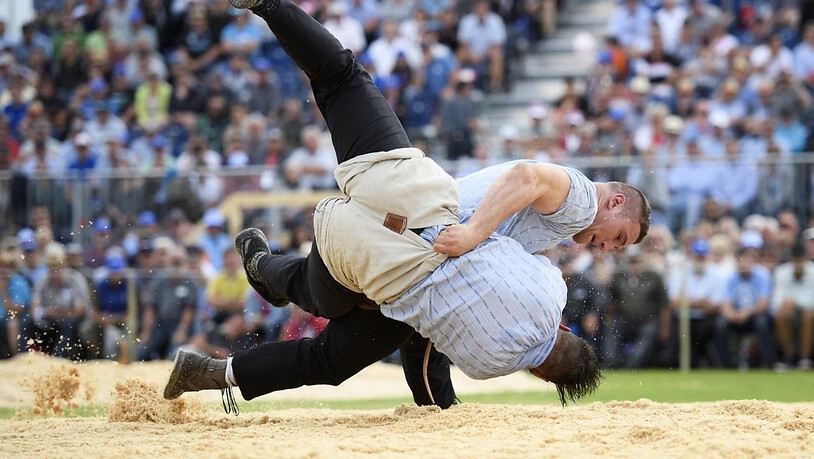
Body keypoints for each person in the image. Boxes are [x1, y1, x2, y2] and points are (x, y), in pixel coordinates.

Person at [164, 0, 647, 409]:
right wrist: (478, 233)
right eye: (619, 237)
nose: (607, 247)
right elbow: (525, 178)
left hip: (410, 193)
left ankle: (268, 4)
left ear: (564, 326)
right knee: (329, 344)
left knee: (341, 77)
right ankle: (223, 353)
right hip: (385, 264)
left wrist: (481, 240)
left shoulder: (550, 285)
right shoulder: (581, 205)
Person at [714, 247, 774, 368]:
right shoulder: (730, 277)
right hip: (736, 315)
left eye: (747, 261)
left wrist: (746, 313)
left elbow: (763, 304)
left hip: (754, 315)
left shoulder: (763, 275)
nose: (744, 264)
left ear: (752, 261)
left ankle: (767, 360)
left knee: (762, 322)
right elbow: (725, 303)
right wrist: (732, 314)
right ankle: (725, 362)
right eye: (741, 261)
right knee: (720, 323)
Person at [772, 243, 814, 370]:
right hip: (788, 311)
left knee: (809, 315)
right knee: (780, 315)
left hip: (807, 311)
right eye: (796, 260)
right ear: (791, 259)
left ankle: (804, 358)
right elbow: (776, 299)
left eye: (801, 259)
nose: (798, 263)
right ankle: (788, 356)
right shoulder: (781, 272)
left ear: (805, 258)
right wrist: (786, 305)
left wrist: (795, 303)